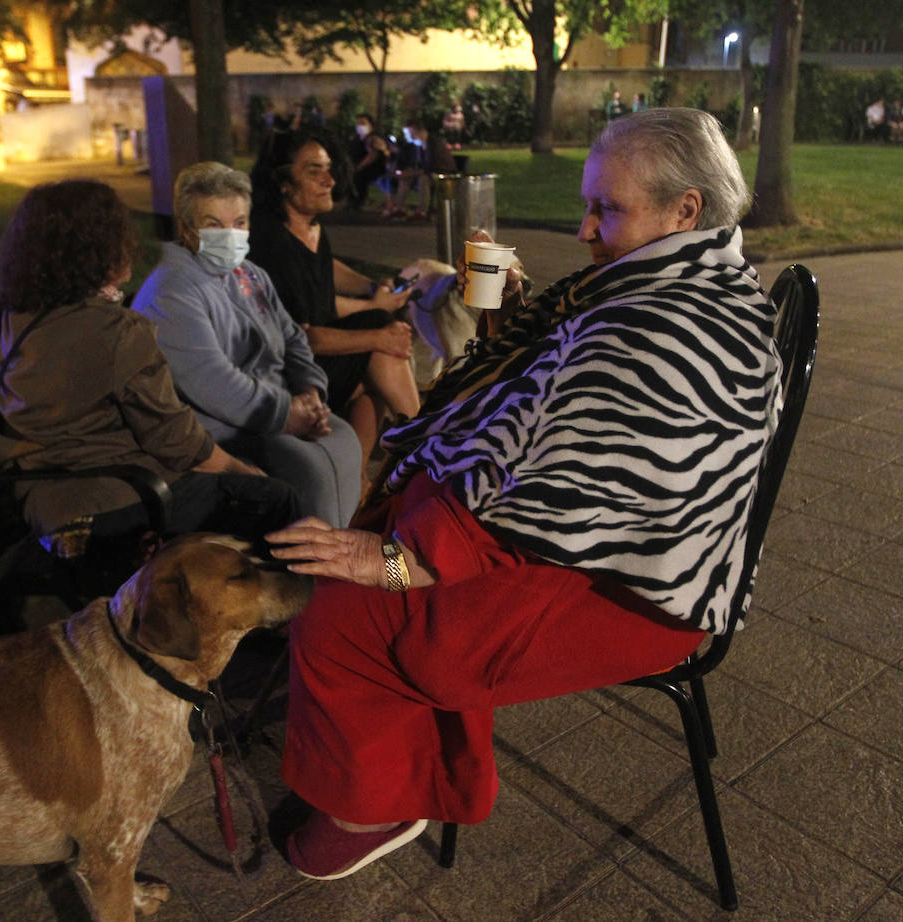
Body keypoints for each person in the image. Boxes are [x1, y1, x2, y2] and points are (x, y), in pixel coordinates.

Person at [264, 108, 784, 881]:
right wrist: (513, 309)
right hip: (618, 547)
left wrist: (401, 560)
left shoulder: (667, 329)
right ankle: (419, 769)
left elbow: (562, 486)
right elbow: (567, 406)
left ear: (687, 210)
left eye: (606, 208)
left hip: (638, 590)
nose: (584, 229)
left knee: (348, 611)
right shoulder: (684, 281)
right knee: (390, 535)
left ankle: (376, 805)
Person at [0, 179, 299, 560]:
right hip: (122, 502)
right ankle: (289, 617)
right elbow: (176, 442)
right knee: (277, 501)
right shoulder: (119, 332)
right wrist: (239, 470)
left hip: (47, 504)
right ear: (103, 249)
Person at [132, 162, 363, 528]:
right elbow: (211, 380)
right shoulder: (172, 289)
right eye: (213, 224)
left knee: (344, 438)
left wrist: (310, 391)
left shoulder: (249, 274)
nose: (230, 234)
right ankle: (313, 566)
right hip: (223, 428)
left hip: (276, 406)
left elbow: (292, 337)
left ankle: (337, 552)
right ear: (186, 229)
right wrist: (286, 413)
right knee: (310, 467)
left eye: (239, 223)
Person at [247, 128, 421, 493]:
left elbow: (324, 273)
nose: (329, 180)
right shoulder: (270, 243)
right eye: (314, 171)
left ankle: (355, 480)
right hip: (289, 370)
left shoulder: (308, 228)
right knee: (379, 341)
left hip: (318, 357)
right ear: (283, 182)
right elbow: (304, 337)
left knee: (374, 377)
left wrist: (372, 289)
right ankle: (424, 439)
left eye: (328, 168)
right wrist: (377, 330)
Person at [347, 113, 391, 211]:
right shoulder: (357, 139)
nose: (360, 126)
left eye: (363, 123)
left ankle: (361, 201)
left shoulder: (373, 138)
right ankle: (353, 201)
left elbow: (373, 156)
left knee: (359, 176)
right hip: (360, 166)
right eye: (358, 123)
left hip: (374, 168)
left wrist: (359, 167)